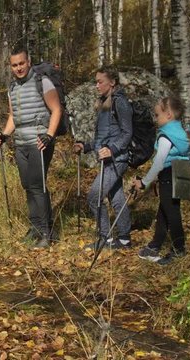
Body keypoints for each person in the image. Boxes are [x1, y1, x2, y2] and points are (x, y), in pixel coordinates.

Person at [0, 47, 63, 248]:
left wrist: (49, 136)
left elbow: (57, 109)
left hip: (40, 141)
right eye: (14, 65)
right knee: (27, 185)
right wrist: (4, 135)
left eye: (21, 63)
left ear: (28, 61)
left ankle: (45, 233)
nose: (18, 68)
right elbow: (14, 117)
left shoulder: (43, 82)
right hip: (21, 143)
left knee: (37, 186)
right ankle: (37, 227)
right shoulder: (12, 88)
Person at [132, 96, 190, 265]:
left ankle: (179, 249)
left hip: (168, 175)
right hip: (179, 174)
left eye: (157, 115)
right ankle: (154, 245)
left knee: (172, 214)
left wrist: (145, 182)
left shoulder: (166, 136)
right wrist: (188, 167)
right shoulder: (184, 132)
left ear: (168, 115)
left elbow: (159, 162)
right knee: (164, 211)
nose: (155, 119)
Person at [74, 66, 133, 250]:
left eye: (100, 82)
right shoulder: (105, 102)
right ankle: (124, 239)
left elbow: (127, 133)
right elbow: (104, 137)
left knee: (93, 196)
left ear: (112, 82)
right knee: (116, 197)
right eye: (96, 82)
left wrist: (112, 150)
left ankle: (105, 238)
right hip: (111, 159)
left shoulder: (120, 103)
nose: (97, 85)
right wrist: (86, 146)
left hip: (117, 160)